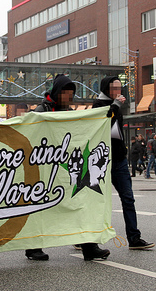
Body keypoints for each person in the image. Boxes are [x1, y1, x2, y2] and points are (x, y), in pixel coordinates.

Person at [34, 74, 110, 261]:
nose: (69, 96)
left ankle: (89, 247)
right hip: (45, 166)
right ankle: (33, 247)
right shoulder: (42, 109)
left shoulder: (70, 111)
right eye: (66, 92)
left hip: (67, 165)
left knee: (80, 200)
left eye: (71, 93)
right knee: (40, 206)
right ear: (57, 92)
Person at [93, 76, 154, 251]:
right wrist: (115, 107)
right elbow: (103, 124)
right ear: (106, 88)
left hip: (119, 158)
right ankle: (87, 240)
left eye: (120, 89)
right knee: (96, 200)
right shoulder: (98, 105)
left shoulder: (116, 105)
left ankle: (134, 238)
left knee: (128, 198)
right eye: (114, 89)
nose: (118, 92)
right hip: (101, 161)